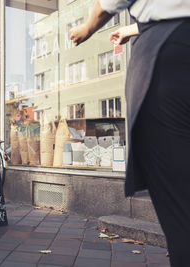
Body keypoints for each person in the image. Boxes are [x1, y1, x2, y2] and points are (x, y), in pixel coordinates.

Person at [70, 1, 190, 266]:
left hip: (170, 56)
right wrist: (133, 29)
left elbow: (109, 4)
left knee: (181, 206)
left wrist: (88, 26)